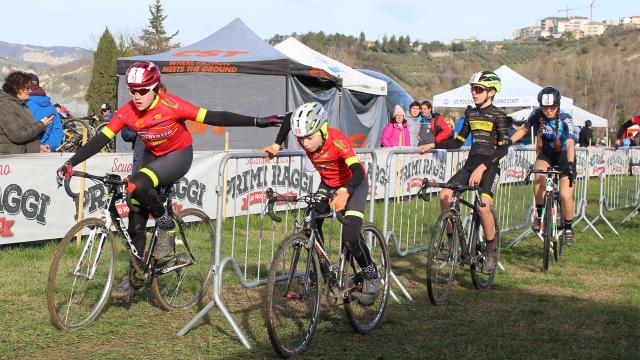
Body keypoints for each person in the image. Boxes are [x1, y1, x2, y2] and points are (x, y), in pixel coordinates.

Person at [55, 61, 283, 300]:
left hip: (178, 155)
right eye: (132, 90)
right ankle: (137, 273)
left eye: (142, 90)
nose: (137, 95)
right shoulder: (127, 112)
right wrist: (70, 162)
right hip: (153, 157)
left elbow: (215, 117)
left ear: (155, 87)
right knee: (135, 217)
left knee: (138, 183)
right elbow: (99, 140)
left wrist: (258, 121)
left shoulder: (171, 104)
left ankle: (165, 221)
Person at [262, 102, 382, 306]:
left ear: (322, 129)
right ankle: (321, 270)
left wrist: (346, 191)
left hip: (354, 184)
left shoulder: (337, 140)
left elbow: (359, 171)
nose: (305, 143)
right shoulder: (306, 136)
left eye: (309, 137)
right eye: (301, 138)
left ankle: (371, 275)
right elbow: (289, 119)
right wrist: (277, 144)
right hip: (328, 184)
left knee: (351, 237)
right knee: (311, 221)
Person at [434, 71, 510, 274]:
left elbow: (503, 149)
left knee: (483, 206)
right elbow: (458, 142)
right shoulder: (470, 113)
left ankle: (491, 250)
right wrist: (433, 144)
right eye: (472, 89)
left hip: (489, 166)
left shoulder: (499, 116)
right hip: (470, 165)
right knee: (445, 195)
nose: (474, 93)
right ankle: (450, 243)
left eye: (479, 90)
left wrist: (483, 167)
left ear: (491, 92)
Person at [510, 86, 577, 246]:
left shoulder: (566, 118)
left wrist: (570, 164)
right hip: (546, 154)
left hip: (564, 156)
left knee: (566, 195)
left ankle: (568, 227)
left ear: (558, 105)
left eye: (552, 107)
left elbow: (570, 143)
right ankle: (540, 215)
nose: (548, 110)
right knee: (539, 176)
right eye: (545, 107)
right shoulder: (536, 115)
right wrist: (508, 141)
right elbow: (524, 130)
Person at [0, 71, 53, 154]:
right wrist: (41, 125)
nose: (30, 91)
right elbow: (18, 135)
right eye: (27, 88)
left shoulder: (22, 104)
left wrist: (38, 148)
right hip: (11, 161)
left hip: (21, 158)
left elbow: (27, 136)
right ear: (18, 89)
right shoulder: (5, 106)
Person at [25, 73, 63, 152]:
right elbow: (57, 131)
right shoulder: (51, 107)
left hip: (27, 153)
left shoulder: (24, 104)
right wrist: (48, 146)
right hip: (46, 155)